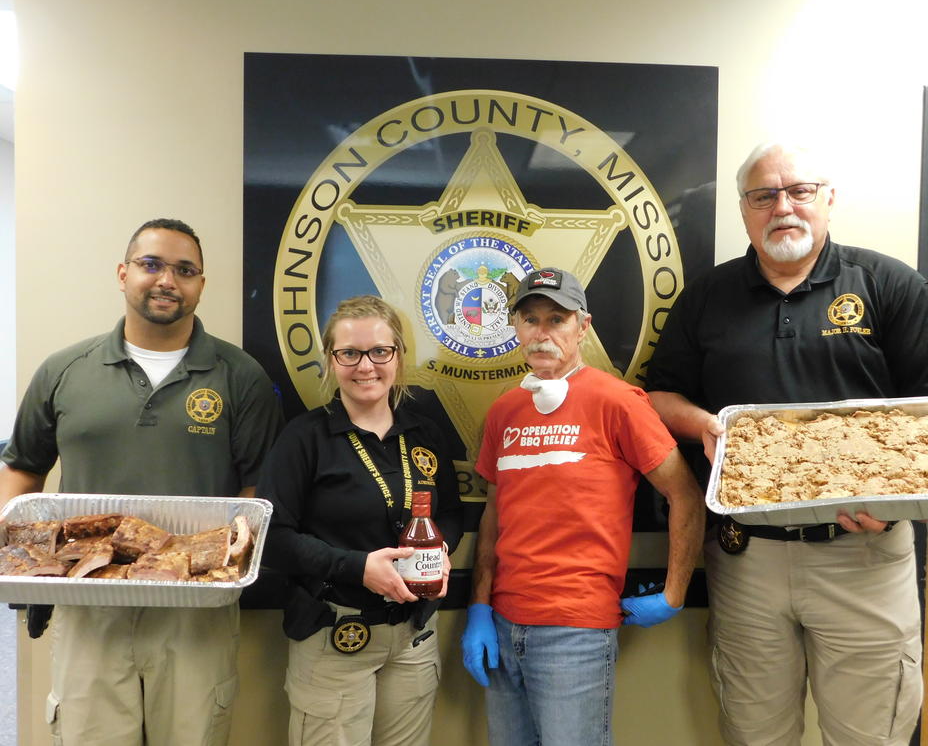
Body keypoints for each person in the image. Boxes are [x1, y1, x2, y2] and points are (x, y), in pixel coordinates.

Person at [645, 142, 928, 746]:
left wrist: (895, 499)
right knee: (755, 735)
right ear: (744, 209)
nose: (783, 208)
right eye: (764, 196)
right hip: (746, 559)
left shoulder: (889, 284)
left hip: (864, 556)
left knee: (870, 736)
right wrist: (705, 425)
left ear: (828, 200)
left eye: (799, 192)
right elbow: (659, 397)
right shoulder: (706, 297)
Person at [0, 218, 284, 746]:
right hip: (90, 607)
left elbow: (256, 491)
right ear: (123, 272)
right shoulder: (65, 370)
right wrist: (19, 565)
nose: (167, 281)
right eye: (152, 265)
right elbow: (21, 469)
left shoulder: (239, 376)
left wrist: (232, 562)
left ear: (202, 283)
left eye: (185, 270)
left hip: (196, 616)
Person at [461, 267, 704, 746]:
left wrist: (675, 593)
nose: (542, 332)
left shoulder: (619, 402)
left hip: (576, 633)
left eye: (557, 319)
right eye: (530, 319)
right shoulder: (506, 410)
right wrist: (479, 608)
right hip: (504, 627)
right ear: (514, 327)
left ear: (582, 326)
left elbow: (685, 494)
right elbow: (494, 513)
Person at [258, 295, 463, 746]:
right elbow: (271, 538)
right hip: (337, 632)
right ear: (331, 361)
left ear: (398, 357)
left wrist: (440, 552)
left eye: (379, 352)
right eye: (349, 353)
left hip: (414, 634)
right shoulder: (304, 438)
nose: (365, 365)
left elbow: (450, 512)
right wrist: (357, 568)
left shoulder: (425, 433)